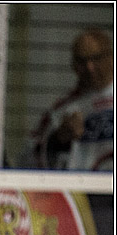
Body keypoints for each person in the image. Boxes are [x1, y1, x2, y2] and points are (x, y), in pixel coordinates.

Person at [29, 28, 114, 171]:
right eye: (82, 61)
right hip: (84, 189)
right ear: (73, 65)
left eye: (96, 58)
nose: (89, 67)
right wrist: (58, 139)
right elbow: (30, 156)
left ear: (111, 57)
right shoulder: (61, 111)